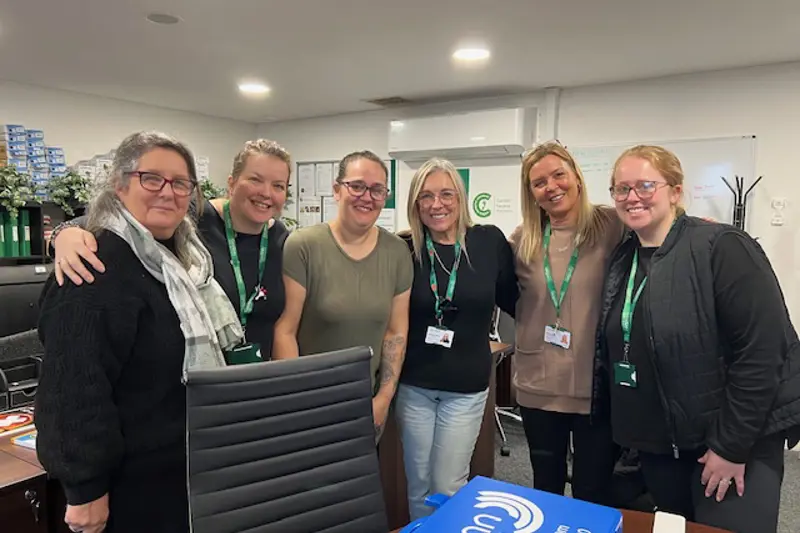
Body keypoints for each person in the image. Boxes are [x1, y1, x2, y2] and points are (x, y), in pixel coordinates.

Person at [35, 131, 242, 533]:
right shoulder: (93, 266)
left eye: (180, 182)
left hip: (179, 472)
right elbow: (72, 386)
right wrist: (85, 488)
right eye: (151, 178)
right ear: (119, 184)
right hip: (127, 489)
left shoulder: (180, 262)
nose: (168, 192)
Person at [596, 144, 800, 533]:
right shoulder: (625, 258)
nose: (632, 196)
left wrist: (731, 446)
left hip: (732, 441)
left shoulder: (722, 246)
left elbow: (762, 353)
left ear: (675, 191)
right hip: (661, 444)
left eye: (645, 185)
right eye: (621, 188)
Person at [48, 139, 292, 360]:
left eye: (278, 186)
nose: (266, 193)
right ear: (232, 183)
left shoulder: (281, 239)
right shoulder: (195, 216)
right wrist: (65, 234)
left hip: (260, 376)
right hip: (197, 373)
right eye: (255, 180)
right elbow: (116, 222)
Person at [395, 158, 518, 520]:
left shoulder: (488, 241)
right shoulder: (404, 249)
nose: (437, 204)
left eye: (446, 194)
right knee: (418, 485)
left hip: (465, 388)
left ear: (460, 198)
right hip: (414, 386)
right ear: (415, 203)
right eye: (426, 196)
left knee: (448, 486)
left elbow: (516, 299)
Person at [511, 141, 623, 504]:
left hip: (595, 387)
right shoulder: (522, 240)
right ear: (531, 193)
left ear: (576, 176)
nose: (551, 186)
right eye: (539, 182)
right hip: (539, 385)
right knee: (546, 487)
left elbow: (659, 226)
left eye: (558, 174)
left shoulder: (612, 225)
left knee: (593, 490)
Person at [273, 150, 413, 439]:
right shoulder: (303, 245)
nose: (367, 197)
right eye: (357, 186)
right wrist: (294, 400)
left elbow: (396, 333)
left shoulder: (397, 252)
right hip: (308, 403)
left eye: (377, 190)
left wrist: (383, 399)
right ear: (337, 190)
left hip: (365, 404)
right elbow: (285, 330)